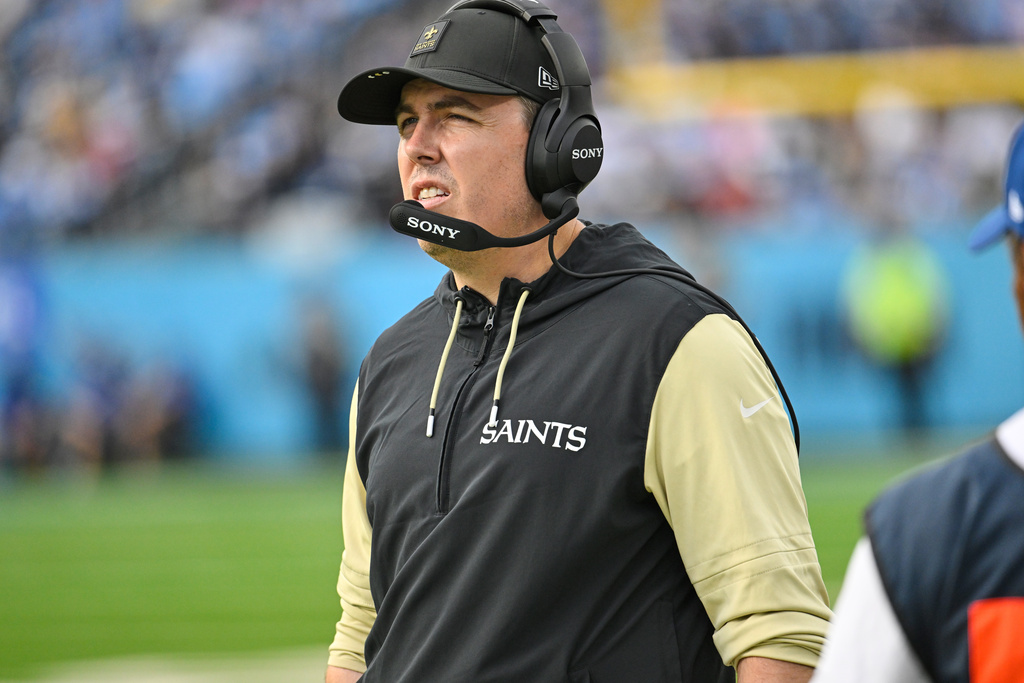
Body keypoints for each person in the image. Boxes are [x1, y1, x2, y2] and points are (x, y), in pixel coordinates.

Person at [326, 1, 832, 681]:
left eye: (454, 115)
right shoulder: (389, 362)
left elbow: (780, 636)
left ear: (557, 145)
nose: (418, 145)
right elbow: (360, 634)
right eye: (406, 122)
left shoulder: (676, 342)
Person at [811, 121, 1024, 682]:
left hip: (906, 343)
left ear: (1019, 284)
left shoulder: (921, 533)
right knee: (908, 410)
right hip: (902, 341)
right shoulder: (900, 259)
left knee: (914, 412)